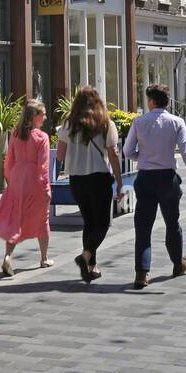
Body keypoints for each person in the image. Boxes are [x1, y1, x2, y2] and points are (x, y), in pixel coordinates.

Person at [124, 86, 186, 290]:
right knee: (172, 222)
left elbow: (127, 151)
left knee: (143, 227)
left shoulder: (139, 122)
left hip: (145, 178)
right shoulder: (176, 123)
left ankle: (142, 273)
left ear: (151, 101)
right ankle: (177, 263)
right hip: (167, 178)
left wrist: (141, 157)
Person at [56, 86, 122, 283]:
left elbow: (59, 155)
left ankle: (91, 267)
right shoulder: (105, 123)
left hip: (77, 179)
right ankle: (85, 257)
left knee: (89, 222)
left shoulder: (69, 124)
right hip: (99, 178)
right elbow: (112, 154)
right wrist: (119, 181)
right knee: (102, 223)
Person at [0, 98, 52, 276]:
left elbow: (9, 160)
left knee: (15, 219)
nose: (46, 117)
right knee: (43, 218)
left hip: (17, 179)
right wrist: (46, 188)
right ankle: (44, 258)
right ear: (35, 116)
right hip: (34, 181)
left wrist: (11, 180)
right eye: (43, 114)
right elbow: (43, 166)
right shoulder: (42, 137)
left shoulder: (16, 134)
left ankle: (8, 256)